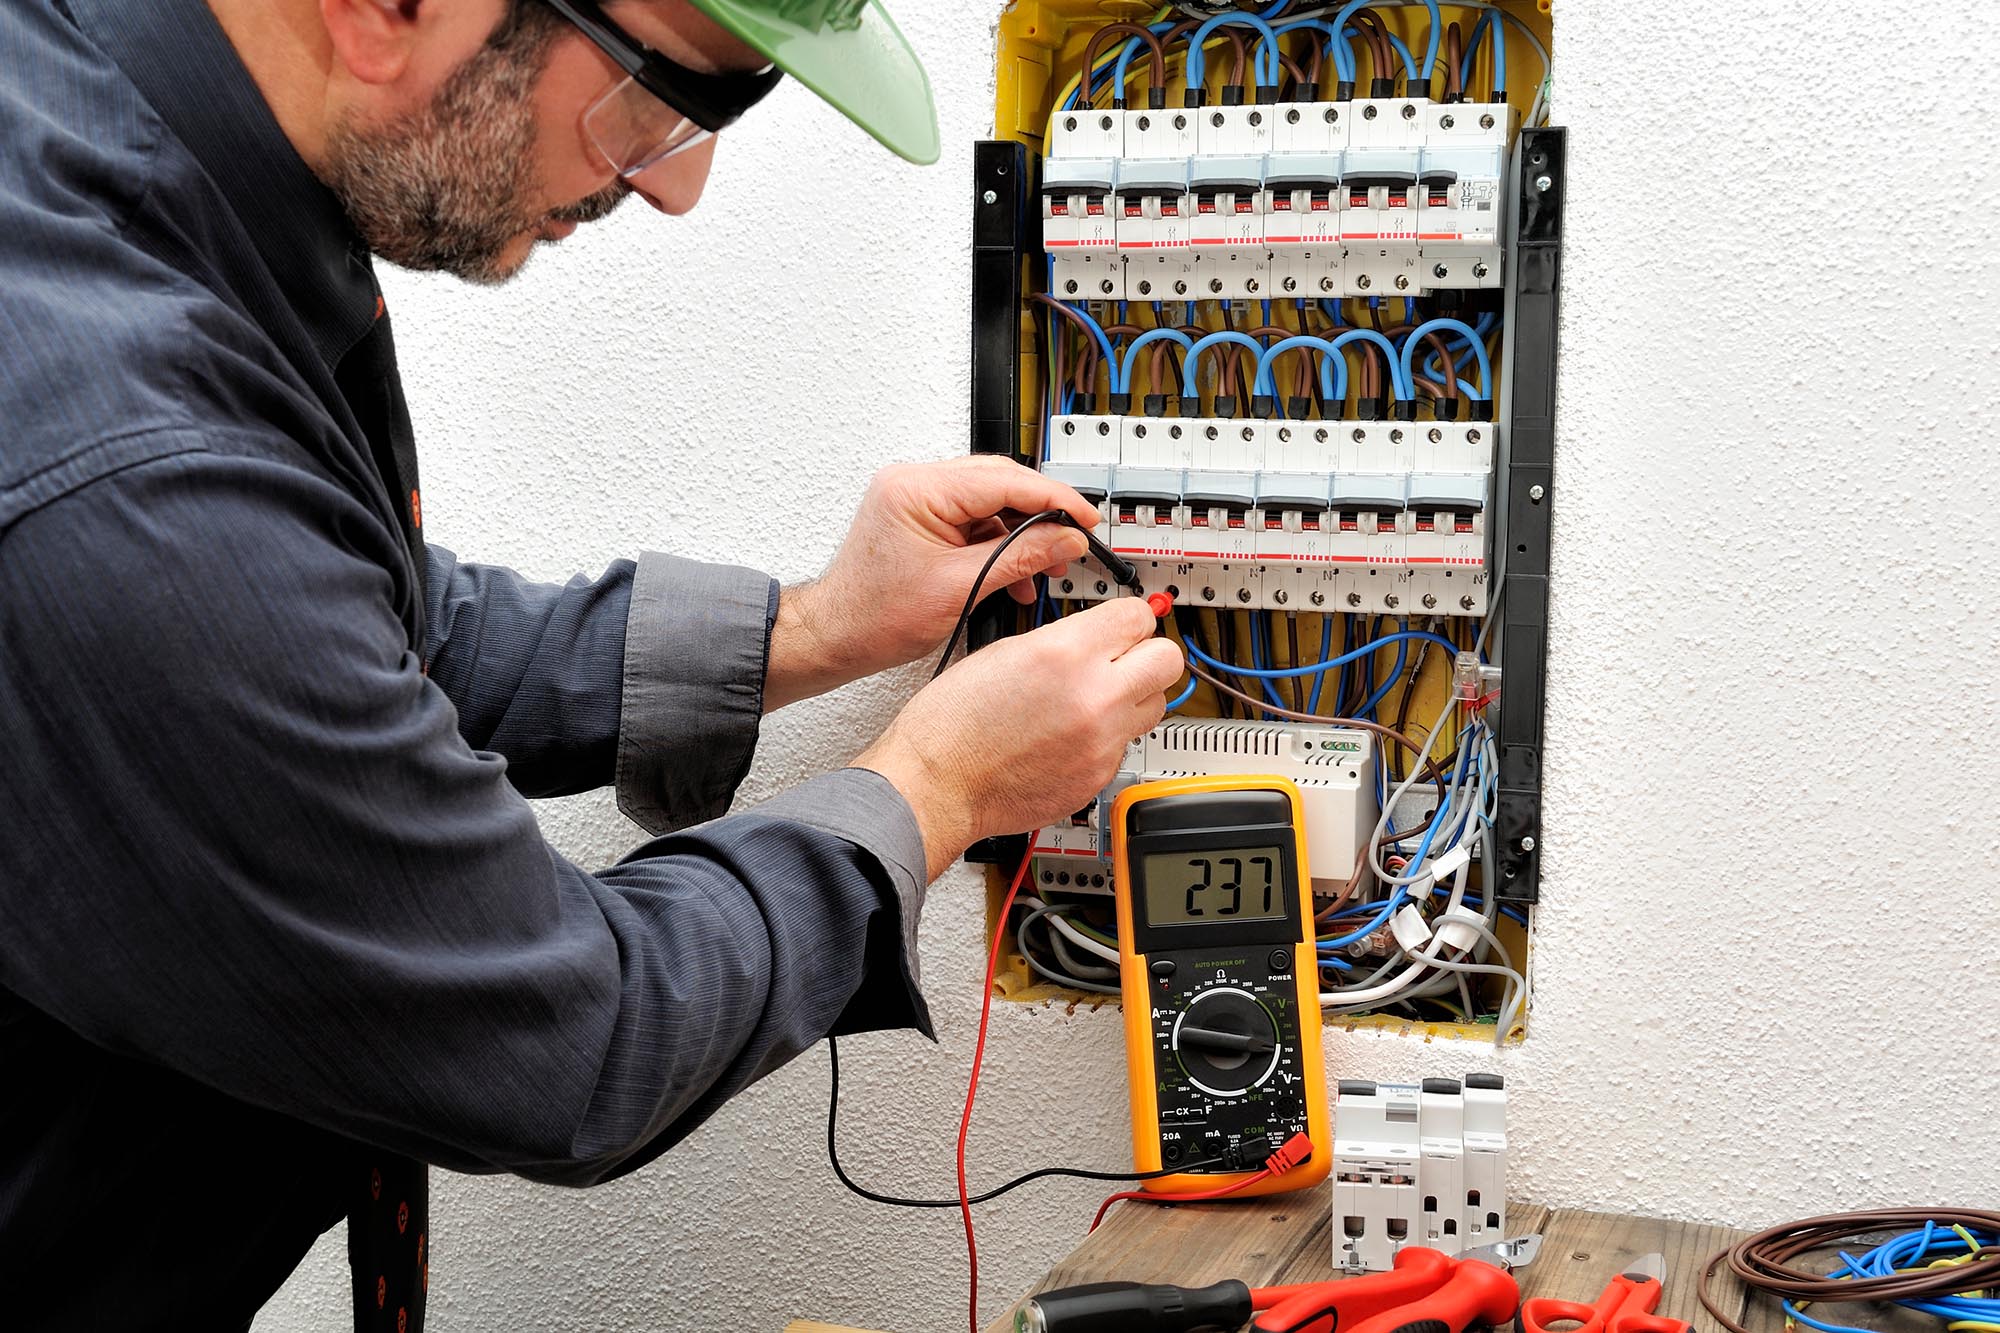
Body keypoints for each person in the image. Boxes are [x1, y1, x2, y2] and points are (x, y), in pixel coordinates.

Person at [0, 0, 1183, 1326]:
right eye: (659, 96)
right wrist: (932, 789)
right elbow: (567, 1041)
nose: (676, 182)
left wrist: (818, 626)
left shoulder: (135, 147)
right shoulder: (118, 468)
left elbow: (359, 628)